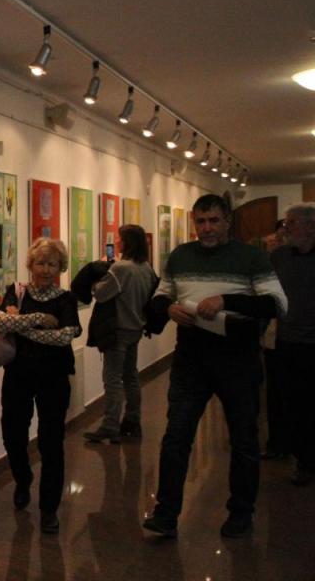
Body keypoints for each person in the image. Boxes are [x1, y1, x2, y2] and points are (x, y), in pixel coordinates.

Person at [142, 194, 287, 539]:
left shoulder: (251, 257)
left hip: (237, 358)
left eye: (213, 221)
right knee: (176, 436)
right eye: (201, 221)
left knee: (244, 439)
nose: (206, 228)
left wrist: (226, 300)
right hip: (191, 358)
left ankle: (241, 512)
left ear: (227, 222)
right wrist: (168, 309)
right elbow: (160, 296)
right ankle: (166, 514)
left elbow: (277, 303)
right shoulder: (181, 255)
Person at [0, 238, 82, 534]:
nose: (46, 270)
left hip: (54, 378)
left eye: (52, 264)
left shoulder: (66, 299)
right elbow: (1, 322)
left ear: (60, 267)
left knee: (51, 442)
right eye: (41, 263)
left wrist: (22, 326)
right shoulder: (17, 292)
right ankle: (23, 479)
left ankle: (49, 509)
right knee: (12, 435)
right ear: (31, 264)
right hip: (17, 375)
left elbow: (65, 336)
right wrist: (40, 319)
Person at [83, 225, 158, 443]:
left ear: (127, 243)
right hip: (136, 328)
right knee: (131, 376)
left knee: (112, 379)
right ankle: (132, 421)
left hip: (118, 329)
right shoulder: (146, 267)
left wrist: (97, 280)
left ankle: (110, 425)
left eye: (120, 239)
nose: (116, 242)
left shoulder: (121, 268)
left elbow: (101, 293)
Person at [270, 203, 315, 485]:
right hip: (287, 342)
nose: (285, 228)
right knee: (293, 404)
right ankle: (303, 459)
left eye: (291, 223)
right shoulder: (279, 256)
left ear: (310, 226)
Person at [261, 219, 290, 459]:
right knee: (276, 392)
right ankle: (278, 443)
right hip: (276, 336)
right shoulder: (275, 261)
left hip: (299, 335)